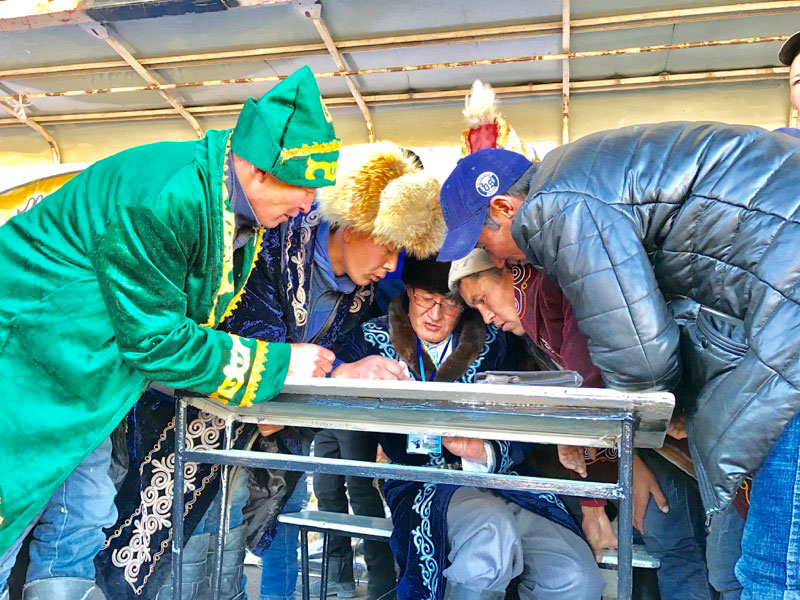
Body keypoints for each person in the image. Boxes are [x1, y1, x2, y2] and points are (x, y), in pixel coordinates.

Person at [0, 65, 339, 600]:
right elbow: (155, 339)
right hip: (25, 366)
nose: (308, 205)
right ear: (257, 172)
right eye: (302, 189)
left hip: (83, 374)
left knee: (85, 510)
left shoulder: (228, 205)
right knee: (10, 507)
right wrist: (276, 363)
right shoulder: (169, 195)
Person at [436, 129, 800, 600]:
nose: (492, 253)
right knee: (754, 561)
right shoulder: (578, 177)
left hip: (787, 307)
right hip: (774, 296)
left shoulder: (556, 207)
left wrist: (662, 415)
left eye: (483, 236)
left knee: (774, 567)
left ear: (505, 208)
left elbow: (636, 345)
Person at [97, 141, 444, 600]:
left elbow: (289, 393)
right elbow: (250, 360)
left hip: (250, 456)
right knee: (173, 568)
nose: (391, 264)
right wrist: (338, 375)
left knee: (225, 568)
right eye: (388, 246)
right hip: (181, 435)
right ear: (353, 224)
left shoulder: (357, 296)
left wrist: (338, 375)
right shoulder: (272, 244)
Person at [449, 249, 716, 600]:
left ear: (508, 271)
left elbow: (592, 385)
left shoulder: (555, 291)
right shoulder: (533, 328)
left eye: (482, 299)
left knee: (675, 537)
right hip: (634, 444)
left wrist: (622, 465)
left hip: (674, 429)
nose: (486, 317)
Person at [333, 256, 605, 600]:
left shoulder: (496, 340)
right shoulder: (369, 341)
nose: (435, 315)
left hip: (507, 479)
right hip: (423, 483)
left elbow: (526, 416)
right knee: (489, 538)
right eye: (425, 300)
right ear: (407, 291)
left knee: (575, 574)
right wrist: (351, 373)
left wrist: (483, 450)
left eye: (449, 304)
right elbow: (332, 370)